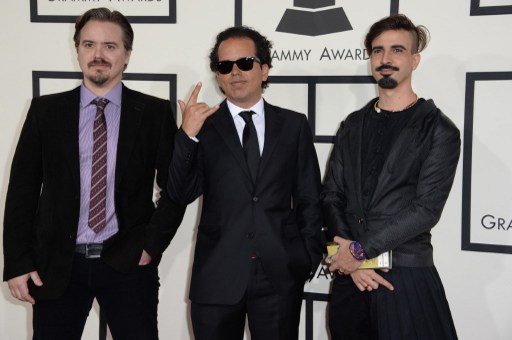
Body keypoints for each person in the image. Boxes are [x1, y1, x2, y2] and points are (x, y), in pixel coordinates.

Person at [3, 7, 185, 340]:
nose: (98, 54)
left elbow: (175, 188)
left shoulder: (155, 113)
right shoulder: (46, 111)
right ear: (78, 51)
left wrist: (150, 246)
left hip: (129, 264)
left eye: (110, 46)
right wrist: (16, 263)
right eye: (89, 45)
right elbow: (23, 190)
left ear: (127, 54)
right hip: (57, 265)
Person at [167, 26, 323, 340]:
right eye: (225, 66)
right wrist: (187, 136)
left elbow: (309, 196)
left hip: (279, 275)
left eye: (245, 63)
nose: (235, 72)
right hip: (216, 274)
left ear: (264, 70)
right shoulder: (203, 127)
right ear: (218, 75)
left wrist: (307, 258)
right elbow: (180, 192)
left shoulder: (293, 125)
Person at [321, 14, 460, 340]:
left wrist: (357, 254)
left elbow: (426, 209)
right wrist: (348, 258)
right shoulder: (352, 125)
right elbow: (330, 195)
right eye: (377, 50)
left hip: (404, 276)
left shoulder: (439, 130)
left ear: (414, 59)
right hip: (351, 281)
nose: (385, 59)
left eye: (397, 50)